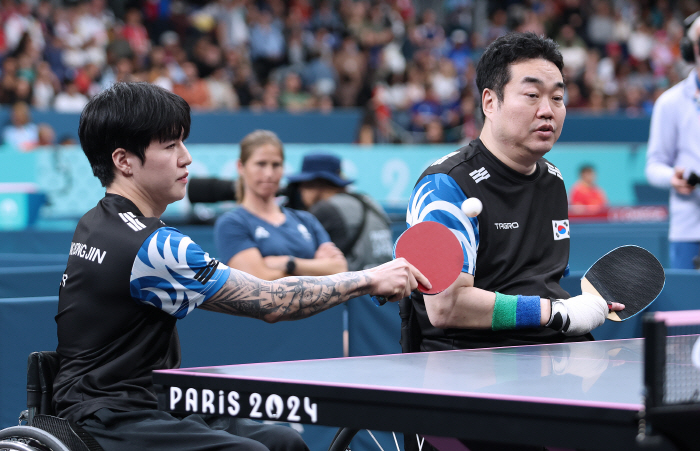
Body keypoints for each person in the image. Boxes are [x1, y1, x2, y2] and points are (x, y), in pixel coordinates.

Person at [52, 82, 427, 451]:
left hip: (148, 400)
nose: (187, 158)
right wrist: (368, 279)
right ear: (123, 161)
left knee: (284, 441)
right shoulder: (151, 245)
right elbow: (270, 301)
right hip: (110, 416)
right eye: (170, 146)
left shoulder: (96, 222)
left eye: (183, 142)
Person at [403, 32, 625, 450]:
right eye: (532, 95)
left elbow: (539, 281)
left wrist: (575, 312)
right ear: (490, 102)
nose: (548, 111)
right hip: (469, 373)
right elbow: (446, 305)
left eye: (558, 98)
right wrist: (556, 313)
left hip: (551, 366)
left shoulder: (554, 181)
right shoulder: (444, 186)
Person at [214, 130, 348, 280]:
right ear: (241, 167)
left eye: (276, 165)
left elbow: (339, 269)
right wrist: (316, 269)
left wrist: (289, 263)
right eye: (261, 164)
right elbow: (259, 284)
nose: (269, 173)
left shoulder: (306, 219)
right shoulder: (232, 223)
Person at [645, 13, 700, 270]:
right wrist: (672, 177)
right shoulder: (670, 103)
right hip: (690, 232)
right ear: (691, 50)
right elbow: (654, 166)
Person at [287, 153, 394, 272]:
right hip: (386, 280)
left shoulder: (325, 209)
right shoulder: (369, 201)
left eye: (302, 185)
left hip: (358, 285)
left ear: (315, 185)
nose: (300, 191)